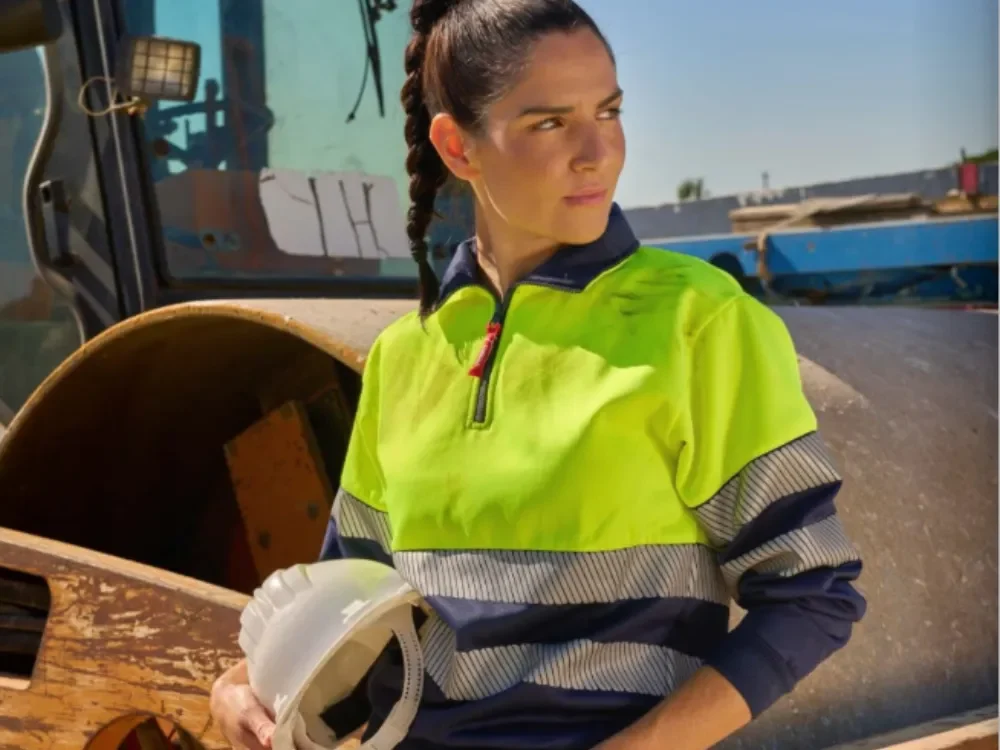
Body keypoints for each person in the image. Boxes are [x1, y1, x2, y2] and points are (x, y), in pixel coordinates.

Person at [209, 0, 867, 748]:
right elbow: (349, 605)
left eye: (609, 111)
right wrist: (238, 689)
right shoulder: (404, 355)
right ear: (459, 147)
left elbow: (811, 592)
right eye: (549, 122)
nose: (598, 152)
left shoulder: (699, 322)